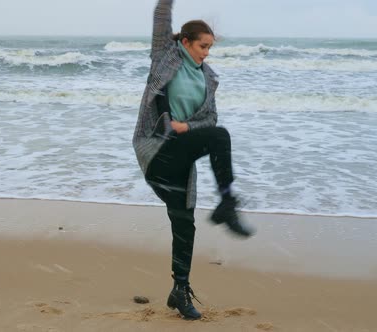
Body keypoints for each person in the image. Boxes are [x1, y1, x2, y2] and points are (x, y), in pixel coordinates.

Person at [132, 0, 255, 320]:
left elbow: (209, 120)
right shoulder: (164, 56)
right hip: (157, 151)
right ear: (185, 42)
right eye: (203, 46)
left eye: (210, 47)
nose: (207, 53)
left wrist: (188, 126)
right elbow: (161, 14)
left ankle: (180, 291)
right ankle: (227, 203)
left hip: (181, 163)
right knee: (221, 137)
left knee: (184, 226)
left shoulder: (208, 79)